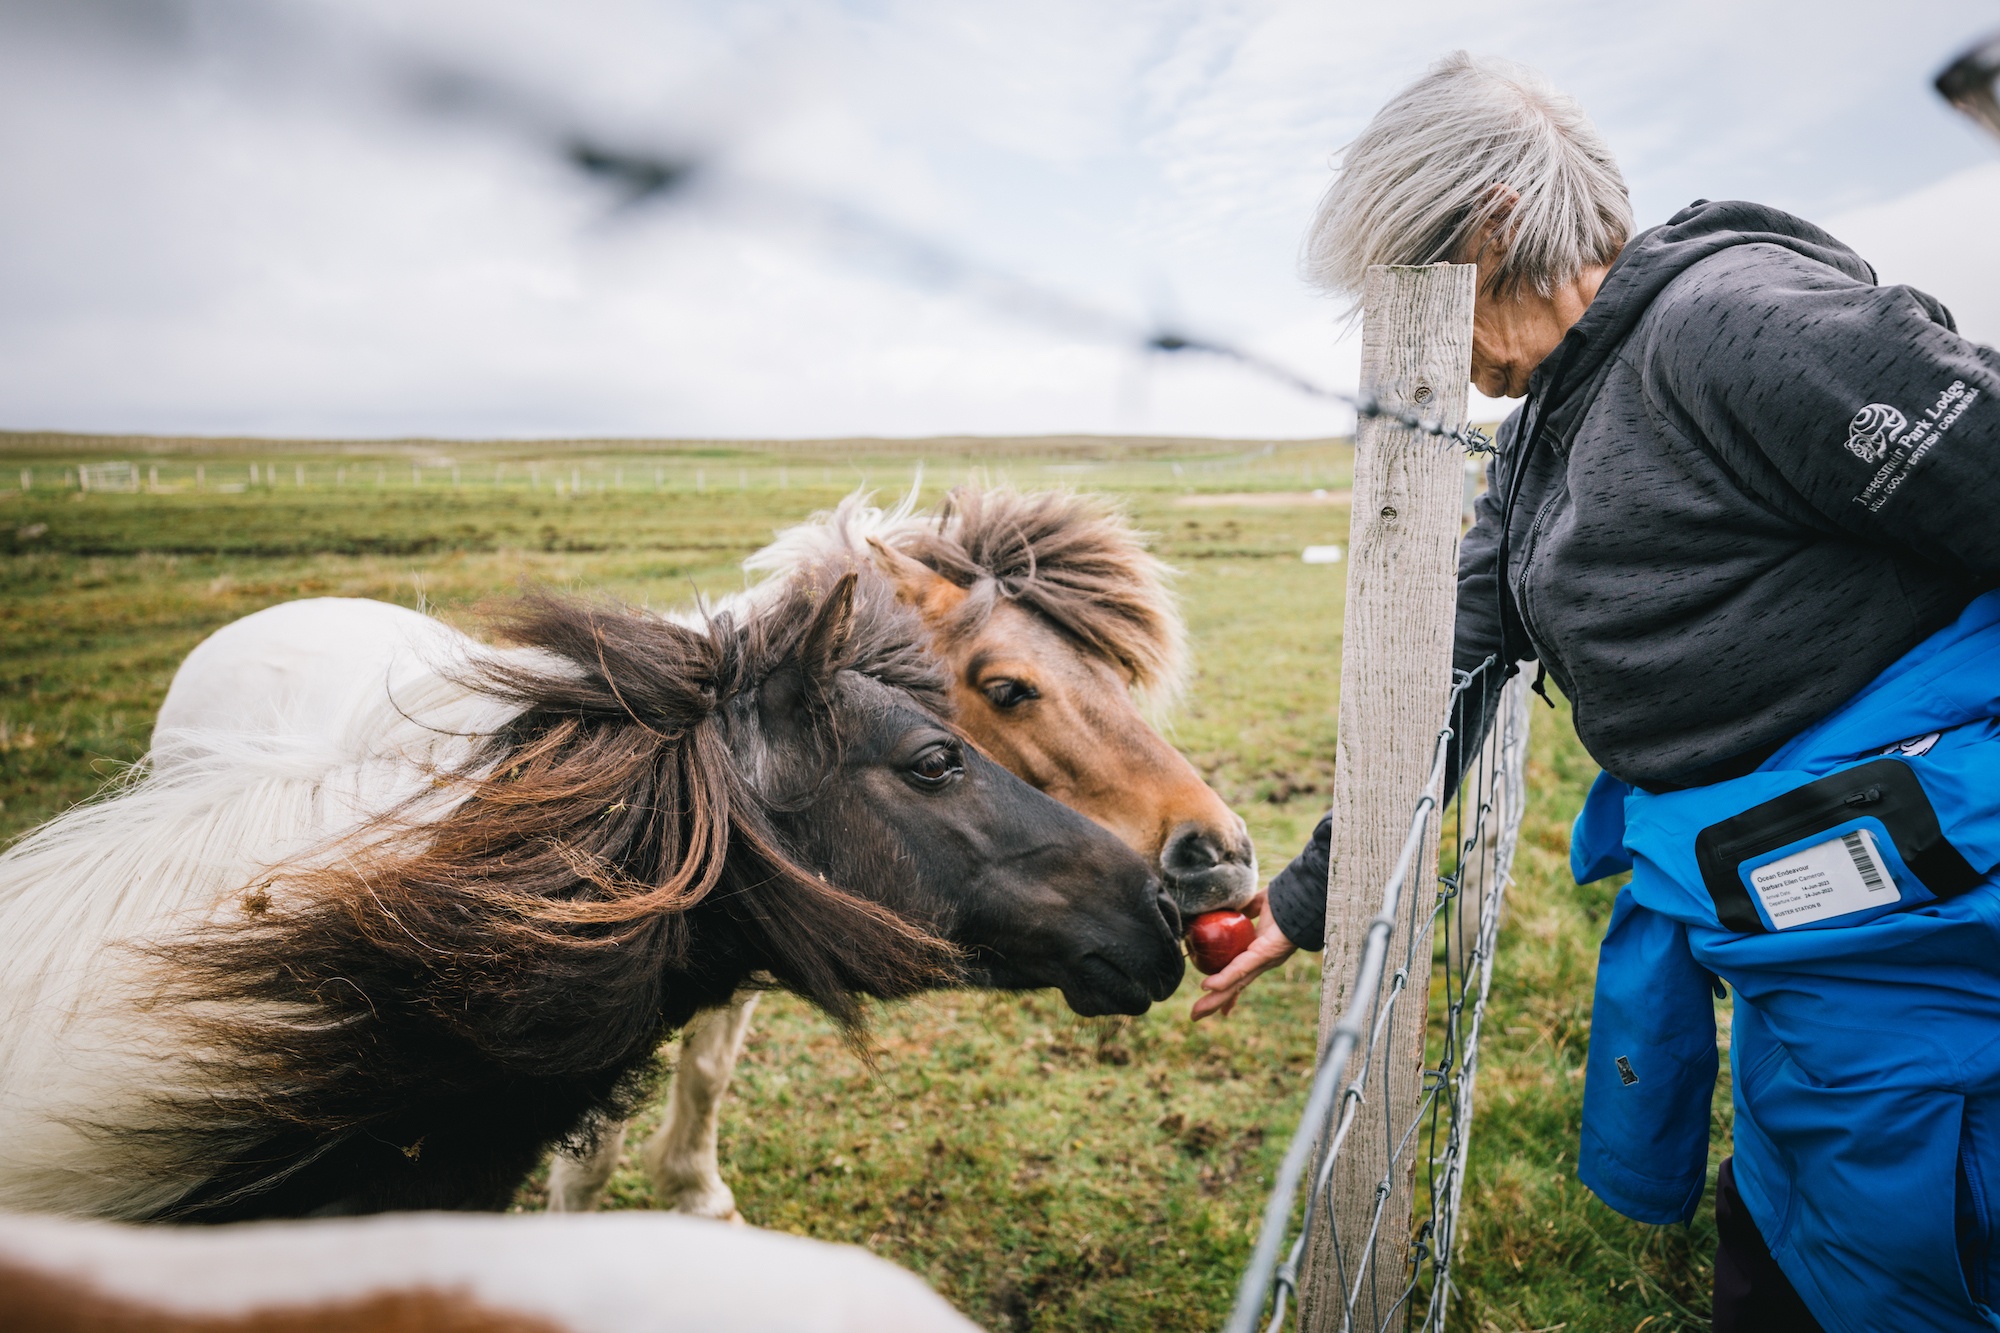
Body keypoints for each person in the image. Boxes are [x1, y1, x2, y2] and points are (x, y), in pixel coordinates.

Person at [1194, 51, 2000, 1333]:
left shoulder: (1736, 327)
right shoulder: (1540, 443)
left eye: (1412, 293)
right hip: (1798, 946)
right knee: (1804, 1233)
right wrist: (1308, 898)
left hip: (1938, 966)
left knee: (1921, 1258)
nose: (1421, 349)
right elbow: (1441, 669)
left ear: (1488, 228)